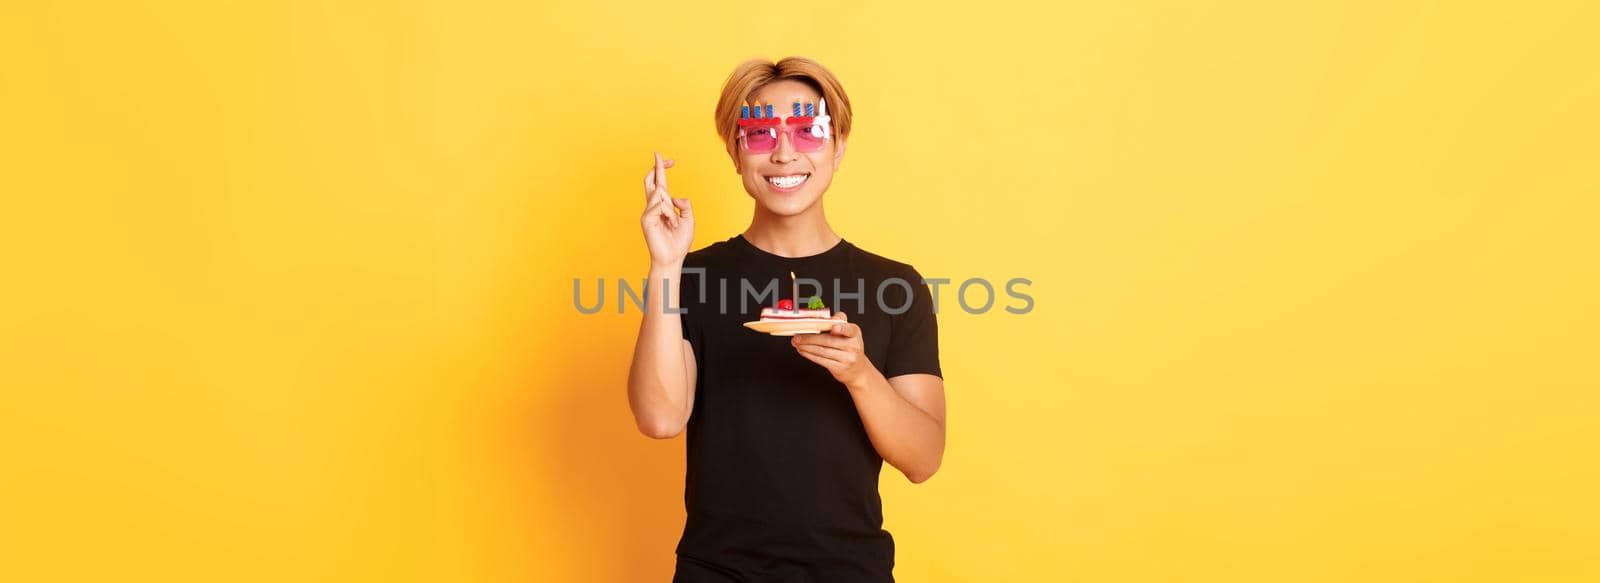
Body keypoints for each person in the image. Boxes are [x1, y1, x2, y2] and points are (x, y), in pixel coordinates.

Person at [627, 56, 946, 583]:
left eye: (807, 131)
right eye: (758, 135)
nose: (782, 153)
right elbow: (660, 420)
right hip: (716, 570)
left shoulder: (896, 287)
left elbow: (924, 459)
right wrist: (665, 264)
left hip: (851, 570)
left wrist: (859, 374)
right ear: (735, 152)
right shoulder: (693, 274)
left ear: (838, 147)